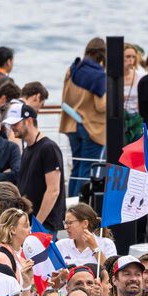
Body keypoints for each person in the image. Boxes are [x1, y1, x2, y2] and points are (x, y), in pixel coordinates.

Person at [4, 100, 66, 232]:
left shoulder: (48, 148)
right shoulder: (27, 149)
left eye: (16, 123)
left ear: (29, 121)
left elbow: (53, 191)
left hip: (44, 225)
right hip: (31, 223)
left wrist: (37, 224)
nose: (12, 127)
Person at [59, 38, 107, 196]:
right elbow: (101, 106)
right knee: (87, 169)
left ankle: (71, 201)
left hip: (72, 123)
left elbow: (65, 97)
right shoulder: (99, 75)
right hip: (91, 126)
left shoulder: (73, 69)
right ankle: (80, 207)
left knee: (77, 167)